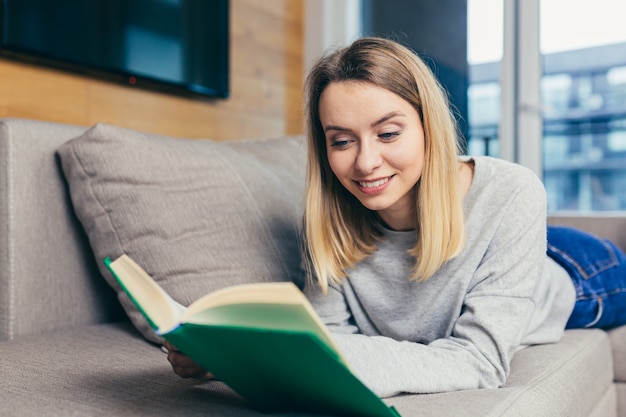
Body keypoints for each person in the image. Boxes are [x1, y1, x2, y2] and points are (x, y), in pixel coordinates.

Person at [165, 36, 626, 397]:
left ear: (429, 127)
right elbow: (332, 345)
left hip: (576, 275)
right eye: (342, 141)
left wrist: (281, 357)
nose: (365, 162)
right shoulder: (327, 223)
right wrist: (235, 359)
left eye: (388, 133)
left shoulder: (513, 191)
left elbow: (480, 362)